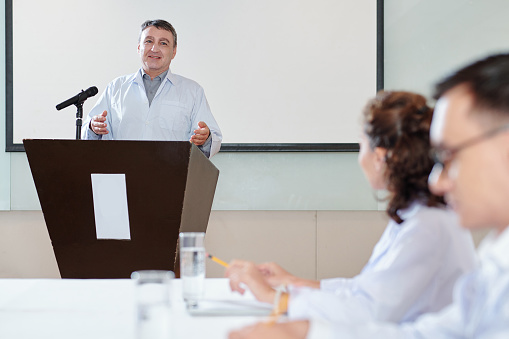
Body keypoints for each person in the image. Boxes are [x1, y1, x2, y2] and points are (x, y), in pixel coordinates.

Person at [228, 53, 509, 339]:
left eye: (449, 155)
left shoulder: (431, 224)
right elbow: (428, 330)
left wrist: (279, 301)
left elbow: (371, 309)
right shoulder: (491, 255)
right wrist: (295, 296)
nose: (438, 182)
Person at [82, 19, 222, 158]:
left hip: (171, 176)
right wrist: (93, 128)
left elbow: (213, 139)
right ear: (138, 48)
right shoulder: (116, 87)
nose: (154, 49)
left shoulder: (192, 91)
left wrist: (205, 138)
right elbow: (87, 134)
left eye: (163, 43)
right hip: (123, 173)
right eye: (149, 41)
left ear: (174, 52)